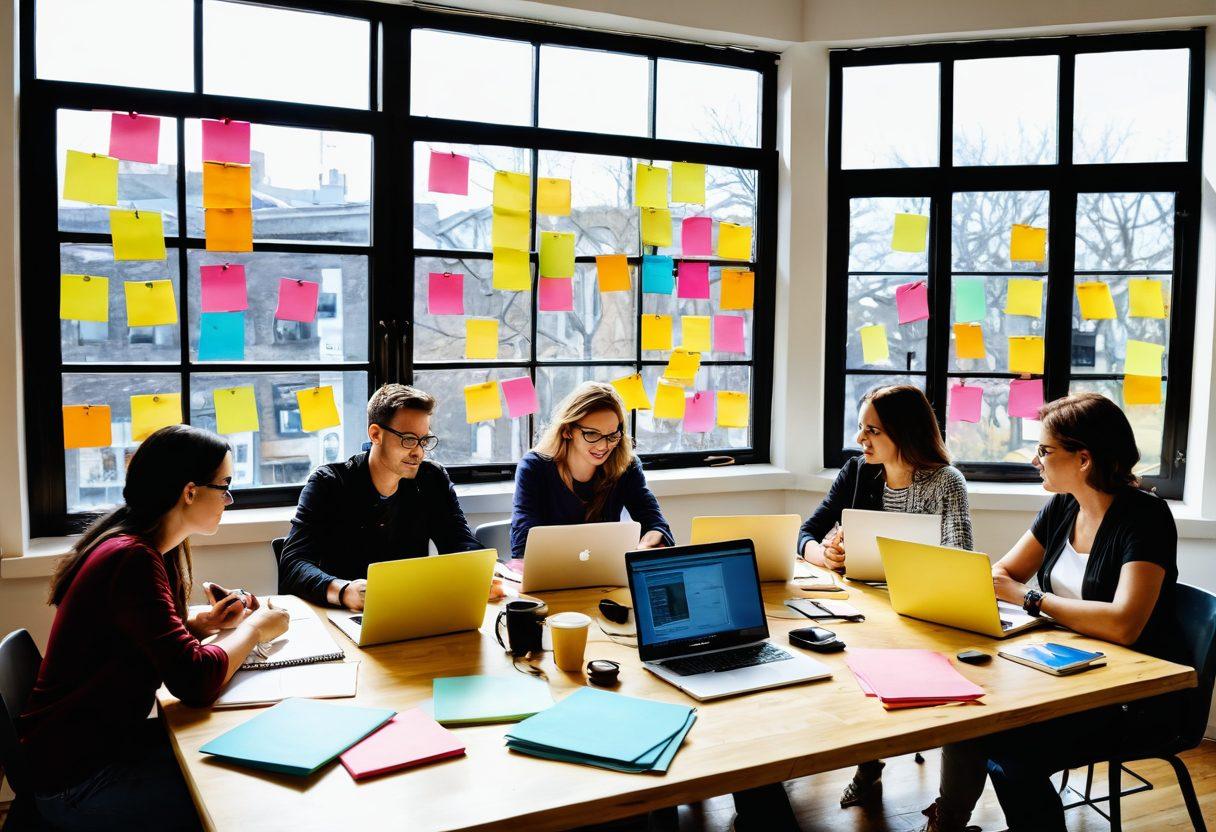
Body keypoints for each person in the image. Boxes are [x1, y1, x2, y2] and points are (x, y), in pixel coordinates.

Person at [917, 392, 1186, 832]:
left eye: (1044, 450)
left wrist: (1032, 599)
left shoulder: (1146, 517)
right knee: (965, 714)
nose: (1035, 460)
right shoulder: (1063, 505)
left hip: (1131, 697)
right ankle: (948, 822)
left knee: (1010, 755)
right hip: (1063, 670)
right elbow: (1002, 573)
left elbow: (1124, 625)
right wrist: (1015, 592)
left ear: (1084, 459)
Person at [18, 425, 291, 831]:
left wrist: (200, 624)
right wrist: (254, 629)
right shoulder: (132, 558)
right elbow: (194, 681)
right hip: (79, 781)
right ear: (189, 492)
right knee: (245, 803)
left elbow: (134, 641)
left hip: (92, 752)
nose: (229, 499)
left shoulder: (138, 545)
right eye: (224, 486)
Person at [278, 384, 485, 610]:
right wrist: (344, 591)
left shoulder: (431, 479)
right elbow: (292, 564)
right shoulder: (329, 483)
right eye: (408, 439)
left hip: (412, 608)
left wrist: (483, 572)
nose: (418, 452)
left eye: (424, 440)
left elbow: (459, 541)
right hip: (346, 614)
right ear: (375, 434)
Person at [510, 381, 673, 558]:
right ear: (567, 430)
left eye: (612, 435)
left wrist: (653, 536)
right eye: (592, 434)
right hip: (548, 572)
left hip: (608, 572)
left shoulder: (626, 466)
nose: (604, 446)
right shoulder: (534, 468)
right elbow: (522, 546)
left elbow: (655, 522)